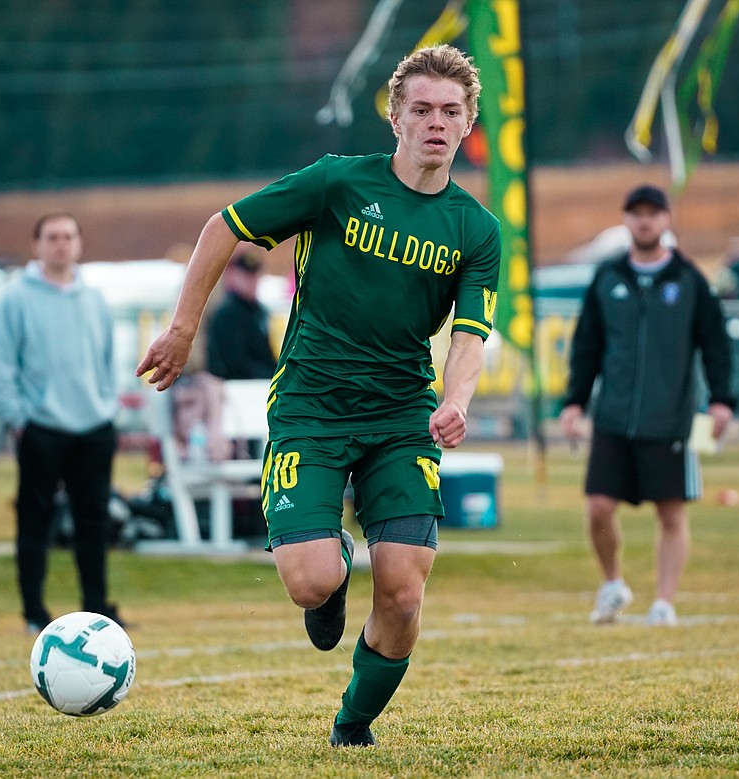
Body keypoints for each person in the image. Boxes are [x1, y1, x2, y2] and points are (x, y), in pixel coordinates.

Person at [136, 44, 500, 747]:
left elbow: (470, 333)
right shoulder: (337, 184)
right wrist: (184, 329)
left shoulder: (475, 230)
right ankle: (328, 570)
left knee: (401, 590)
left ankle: (352, 724)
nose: (435, 121)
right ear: (395, 117)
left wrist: (456, 398)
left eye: (450, 111)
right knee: (310, 580)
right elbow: (224, 227)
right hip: (312, 407)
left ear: (467, 122)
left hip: (401, 417)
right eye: (420, 108)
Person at [558, 184, 735, 628]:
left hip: (668, 419)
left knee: (671, 512)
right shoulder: (608, 277)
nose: (644, 221)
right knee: (598, 507)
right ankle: (613, 584)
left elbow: (715, 344)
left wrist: (721, 401)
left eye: (652, 213)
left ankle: (664, 602)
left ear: (667, 219)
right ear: (625, 220)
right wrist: (575, 403)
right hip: (613, 417)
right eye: (635, 213)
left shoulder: (689, 281)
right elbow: (586, 346)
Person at [0, 212, 121, 634]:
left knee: (93, 520)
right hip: (41, 427)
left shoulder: (94, 298)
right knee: (35, 518)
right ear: (37, 245)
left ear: (78, 243)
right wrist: (18, 417)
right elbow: (0, 364)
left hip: (93, 427)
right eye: (52, 237)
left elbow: (106, 360)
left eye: (68, 236)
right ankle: (32, 610)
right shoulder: (16, 298)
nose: (61, 244)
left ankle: (96, 607)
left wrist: (107, 407)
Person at [205, 250, 276, 382]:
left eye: (255, 275)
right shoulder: (227, 313)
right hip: (235, 385)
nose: (252, 281)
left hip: (252, 383)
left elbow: (265, 355)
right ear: (232, 276)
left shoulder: (258, 311)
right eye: (246, 276)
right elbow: (236, 364)